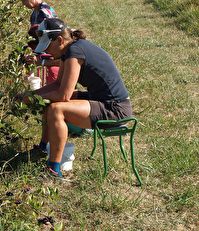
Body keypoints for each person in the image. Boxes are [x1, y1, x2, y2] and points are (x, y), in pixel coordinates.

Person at [15, 18, 132, 178]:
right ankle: (44, 147)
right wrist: (30, 95)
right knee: (51, 102)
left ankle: (53, 170)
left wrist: (30, 99)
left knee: (57, 109)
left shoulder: (74, 51)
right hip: (100, 99)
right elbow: (57, 85)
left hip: (115, 109)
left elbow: (63, 95)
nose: (47, 52)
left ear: (60, 40)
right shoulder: (68, 49)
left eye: (48, 46)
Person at [14, 0, 59, 83]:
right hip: (42, 46)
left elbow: (51, 38)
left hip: (51, 48)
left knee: (25, 55)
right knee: (22, 52)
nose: (23, 3)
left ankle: (31, 83)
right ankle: (30, 82)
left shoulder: (44, 12)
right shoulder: (34, 13)